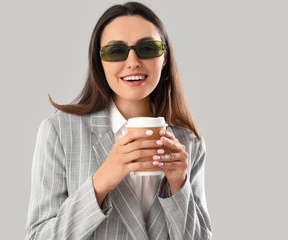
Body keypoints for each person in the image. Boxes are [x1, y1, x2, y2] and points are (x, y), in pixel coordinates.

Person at [25, 2, 212, 239]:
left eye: (147, 48)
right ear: (99, 62)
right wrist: (101, 182)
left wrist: (178, 184)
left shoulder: (189, 142)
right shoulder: (60, 133)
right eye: (116, 51)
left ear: (164, 58)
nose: (133, 61)